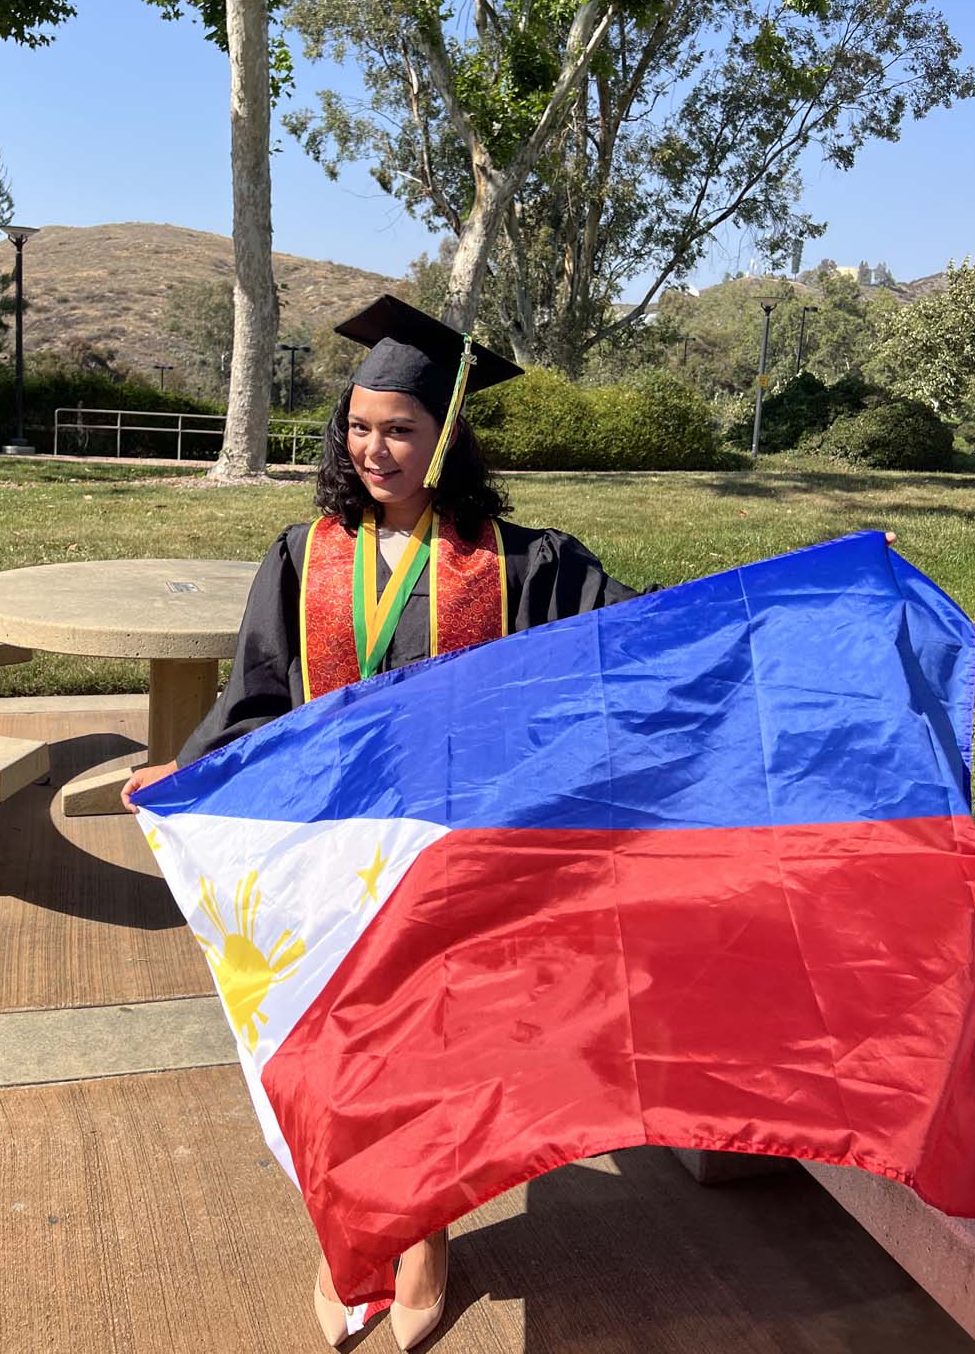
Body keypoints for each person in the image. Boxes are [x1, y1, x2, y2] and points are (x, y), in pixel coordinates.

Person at [122, 294, 641, 1349]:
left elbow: (638, 637)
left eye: (399, 429)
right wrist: (190, 778)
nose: (374, 449)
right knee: (348, 1050)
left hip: (454, 859)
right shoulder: (303, 556)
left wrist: (787, 596)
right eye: (358, 426)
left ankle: (426, 1236)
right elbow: (258, 695)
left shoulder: (524, 563)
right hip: (336, 859)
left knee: (439, 1052)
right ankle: (358, 1223)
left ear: (444, 437)